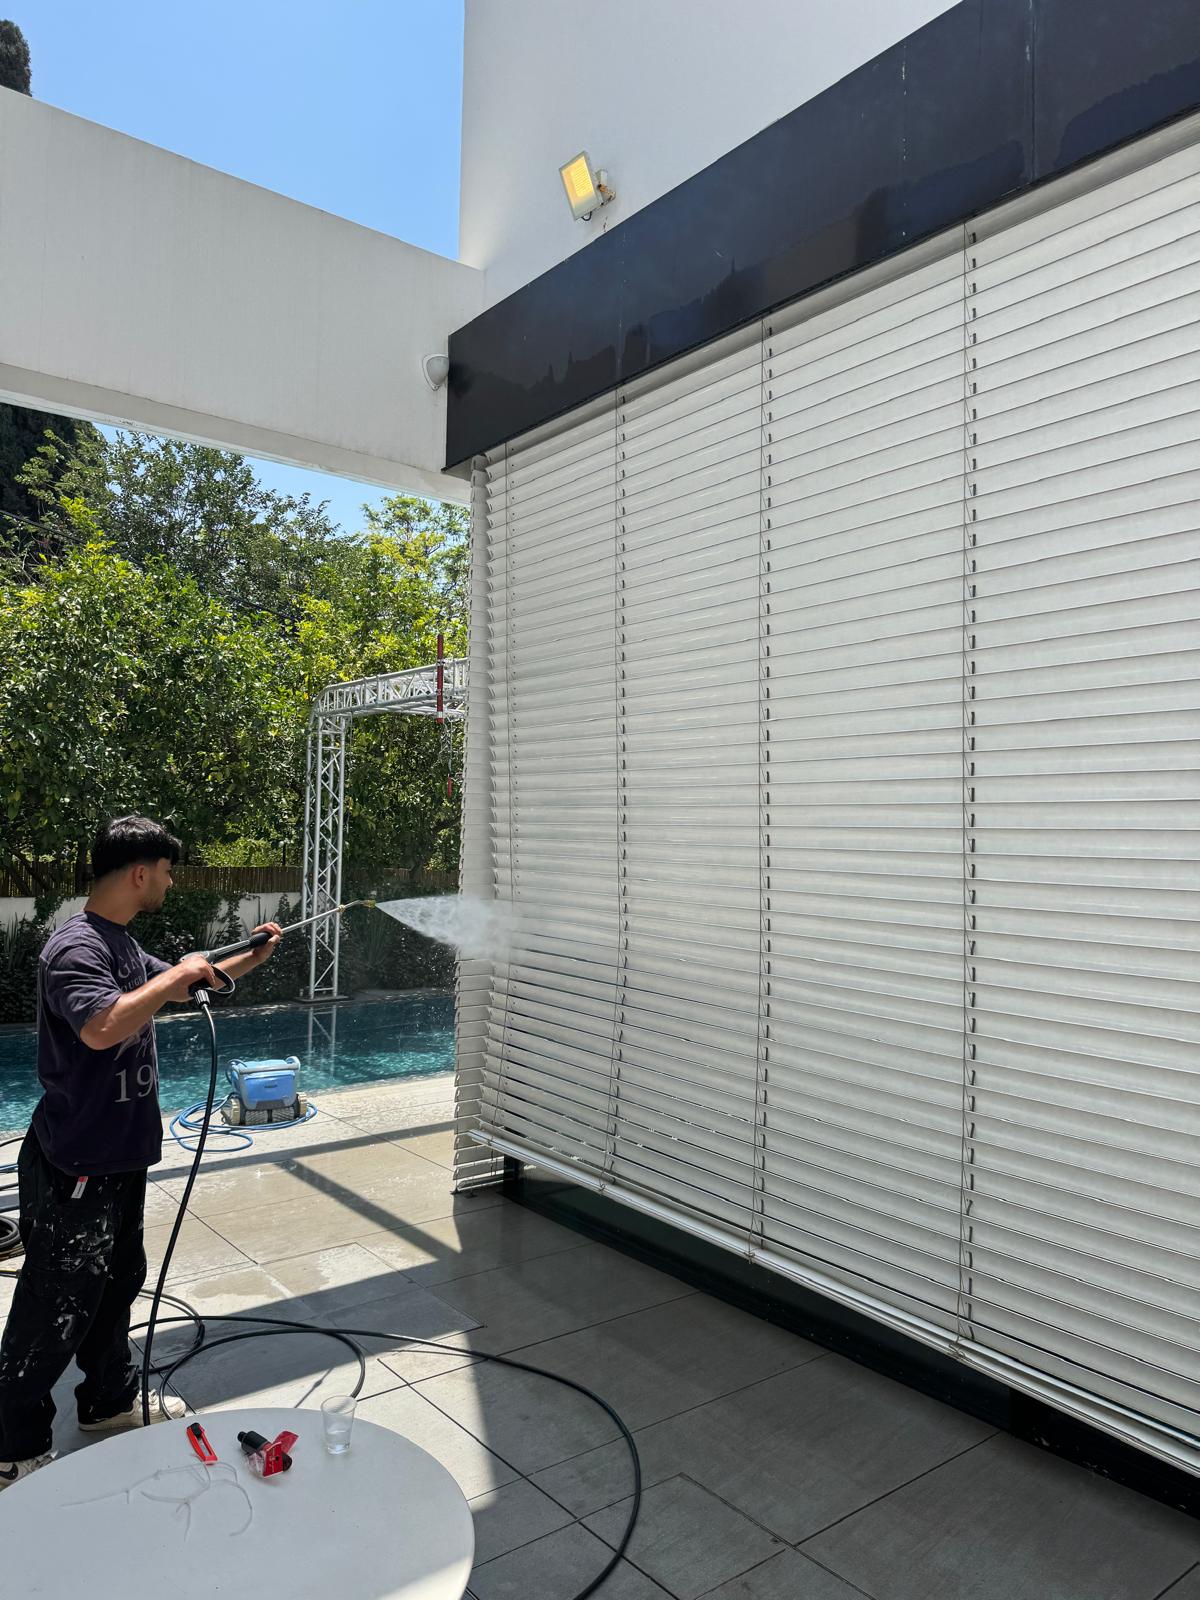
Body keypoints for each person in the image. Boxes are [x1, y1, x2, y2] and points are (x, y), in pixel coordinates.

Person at [0, 815, 282, 1488]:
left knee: (116, 1283)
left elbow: (183, 984)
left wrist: (249, 957)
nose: (170, 882)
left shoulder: (120, 943)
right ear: (138, 872)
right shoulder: (75, 948)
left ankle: (108, 1402)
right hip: (79, 1162)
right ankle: (12, 1445)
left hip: (119, 1159)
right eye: (166, 871)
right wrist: (174, 974)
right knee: (55, 1302)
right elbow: (101, 1027)